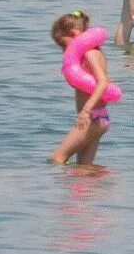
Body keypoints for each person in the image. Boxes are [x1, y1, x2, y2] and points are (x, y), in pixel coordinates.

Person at [50, 10, 117, 165]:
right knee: (84, 169)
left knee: (57, 159)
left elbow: (103, 82)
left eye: (62, 44)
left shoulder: (90, 53)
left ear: (73, 34)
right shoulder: (91, 52)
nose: (63, 50)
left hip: (92, 117)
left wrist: (86, 111)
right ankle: (94, 188)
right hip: (98, 117)